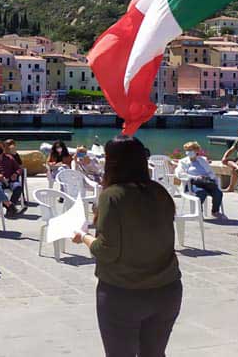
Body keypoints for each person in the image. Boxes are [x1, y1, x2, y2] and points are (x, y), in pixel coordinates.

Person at [71, 135, 182, 357]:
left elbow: (106, 250)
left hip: (123, 292)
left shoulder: (112, 196)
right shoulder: (159, 192)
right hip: (167, 289)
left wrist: (83, 236)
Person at [175, 141, 225, 219]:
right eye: (187, 150)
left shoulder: (203, 160)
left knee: (218, 193)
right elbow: (179, 173)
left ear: (196, 150)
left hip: (205, 182)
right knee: (202, 192)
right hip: (191, 183)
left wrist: (208, 178)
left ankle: (215, 211)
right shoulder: (183, 162)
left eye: (191, 150)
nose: (188, 152)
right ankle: (198, 212)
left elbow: (211, 172)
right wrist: (195, 177)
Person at [0, 140, 25, 213]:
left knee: (18, 187)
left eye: (1, 147)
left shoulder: (9, 158)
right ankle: (11, 208)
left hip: (10, 180)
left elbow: (19, 168)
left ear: (4, 148)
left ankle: (10, 207)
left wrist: (15, 174)